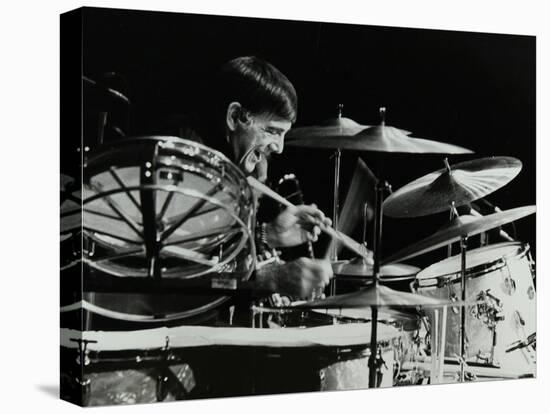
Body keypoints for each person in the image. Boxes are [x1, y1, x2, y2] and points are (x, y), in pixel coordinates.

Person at [185, 56, 334, 299]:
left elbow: (207, 248)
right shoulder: (189, 163)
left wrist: (269, 235)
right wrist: (270, 278)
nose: (280, 147)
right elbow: (174, 272)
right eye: (273, 131)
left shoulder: (221, 164)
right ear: (235, 117)